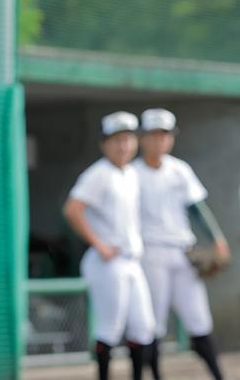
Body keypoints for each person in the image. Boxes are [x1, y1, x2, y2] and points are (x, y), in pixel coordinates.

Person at [133, 108, 228, 380]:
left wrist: (217, 238)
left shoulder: (180, 169)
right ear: (142, 138)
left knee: (199, 318)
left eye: (165, 135)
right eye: (153, 135)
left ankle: (218, 375)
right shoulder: (133, 173)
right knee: (153, 324)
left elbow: (197, 208)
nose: (159, 141)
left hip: (183, 252)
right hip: (150, 251)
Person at [63, 111, 155, 380]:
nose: (123, 146)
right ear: (104, 143)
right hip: (107, 261)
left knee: (142, 326)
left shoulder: (131, 173)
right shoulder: (99, 173)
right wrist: (99, 244)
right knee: (109, 329)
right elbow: (72, 210)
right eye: (116, 140)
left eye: (128, 139)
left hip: (131, 260)